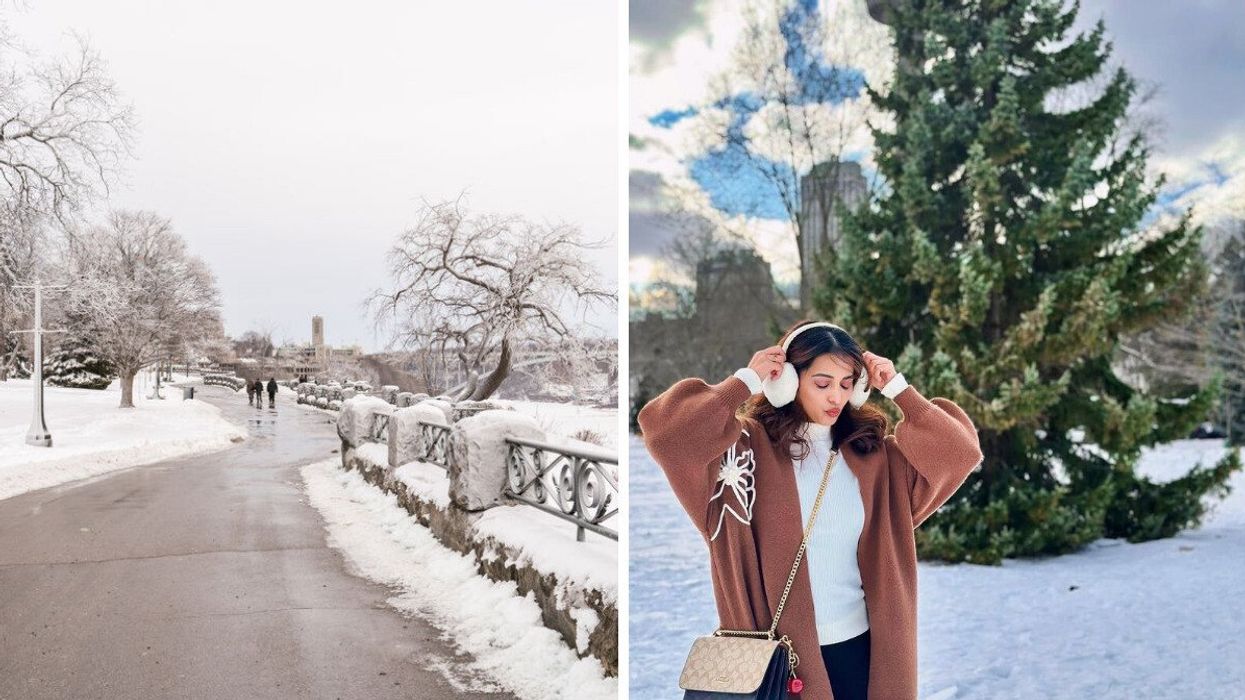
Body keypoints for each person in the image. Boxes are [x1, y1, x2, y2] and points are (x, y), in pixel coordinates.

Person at [638, 321, 983, 700]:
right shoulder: (742, 454)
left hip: (860, 655)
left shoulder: (875, 459)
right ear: (787, 381)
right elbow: (667, 435)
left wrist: (900, 391)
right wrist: (744, 382)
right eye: (822, 383)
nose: (836, 396)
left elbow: (961, 453)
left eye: (847, 383)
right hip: (773, 667)